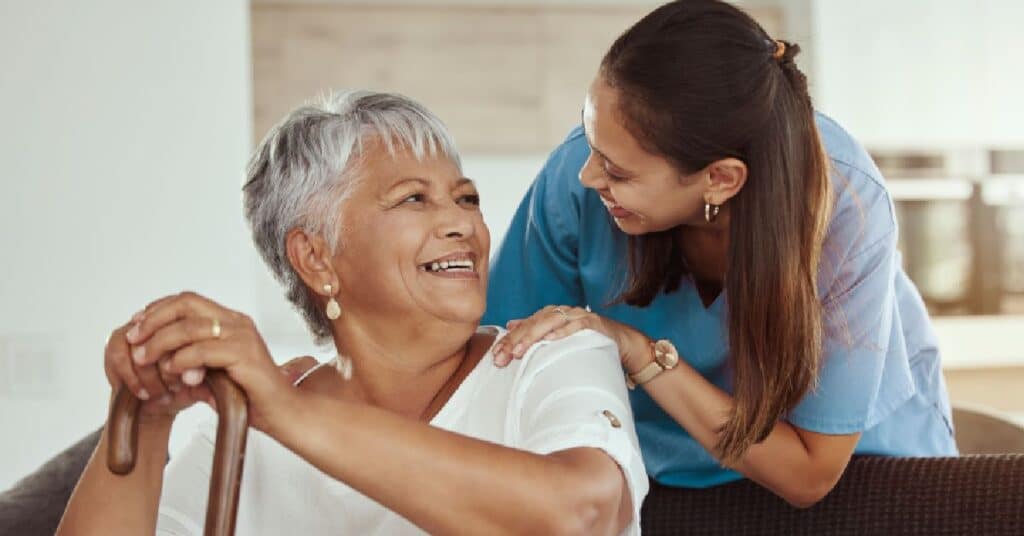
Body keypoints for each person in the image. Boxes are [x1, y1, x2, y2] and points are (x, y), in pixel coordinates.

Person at [57, 90, 647, 534]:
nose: (462, 222)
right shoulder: (246, 428)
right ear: (315, 257)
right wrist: (143, 415)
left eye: (466, 198)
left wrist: (288, 412)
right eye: (414, 199)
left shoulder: (552, 354)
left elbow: (583, 513)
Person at [485, 0, 957, 508]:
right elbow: (500, 371)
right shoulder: (580, 176)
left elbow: (808, 474)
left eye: (618, 173)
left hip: (856, 475)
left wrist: (637, 351)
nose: (587, 175)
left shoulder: (846, 204)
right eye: (591, 141)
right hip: (658, 476)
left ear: (720, 179)